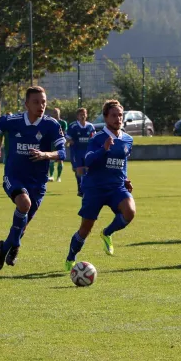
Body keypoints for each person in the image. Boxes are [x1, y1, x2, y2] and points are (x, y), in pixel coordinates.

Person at [0, 86, 66, 271]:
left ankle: (6, 247)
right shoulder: (13, 121)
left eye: (43, 102)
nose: (41, 105)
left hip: (38, 182)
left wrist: (45, 155)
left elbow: (62, 152)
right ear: (26, 104)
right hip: (14, 176)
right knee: (24, 204)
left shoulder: (52, 125)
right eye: (36, 102)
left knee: (23, 223)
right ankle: (13, 246)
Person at [64, 100, 135, 271]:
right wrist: (103, 149)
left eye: (120, 115)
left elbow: (122, 162)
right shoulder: (97, 138)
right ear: (105, 118)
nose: (118, 119)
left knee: (130, 212)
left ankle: (107, 233)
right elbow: (88, 160)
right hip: (95, 188)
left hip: (116, 187)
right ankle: (71, 257)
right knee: (85, 229)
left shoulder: (128, 139)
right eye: (114, 115)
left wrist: (125, 178)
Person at [65, 107, 96, 197]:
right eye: (80, 114)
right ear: (77, 116)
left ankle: (87, 188)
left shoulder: (90, 126)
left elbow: (93, 138)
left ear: (86, 115)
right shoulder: (73, 126)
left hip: (87, 152)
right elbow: (68, 138)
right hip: (77, 152)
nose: (83, 116)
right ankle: (80, 189)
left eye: (84, 114)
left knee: (88, 170)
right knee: (79, 171)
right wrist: (70, 142)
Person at [48, 108, 68, 182]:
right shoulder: (50, 122)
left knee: (60, 160)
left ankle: (59, 177)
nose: (55, 114)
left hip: (59, 142)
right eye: (53, 112)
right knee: (51, 159)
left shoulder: (63, 123)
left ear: (59, 113)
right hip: (52, 143)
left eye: (56, 112)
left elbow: (63, 132)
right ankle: (51, 176)